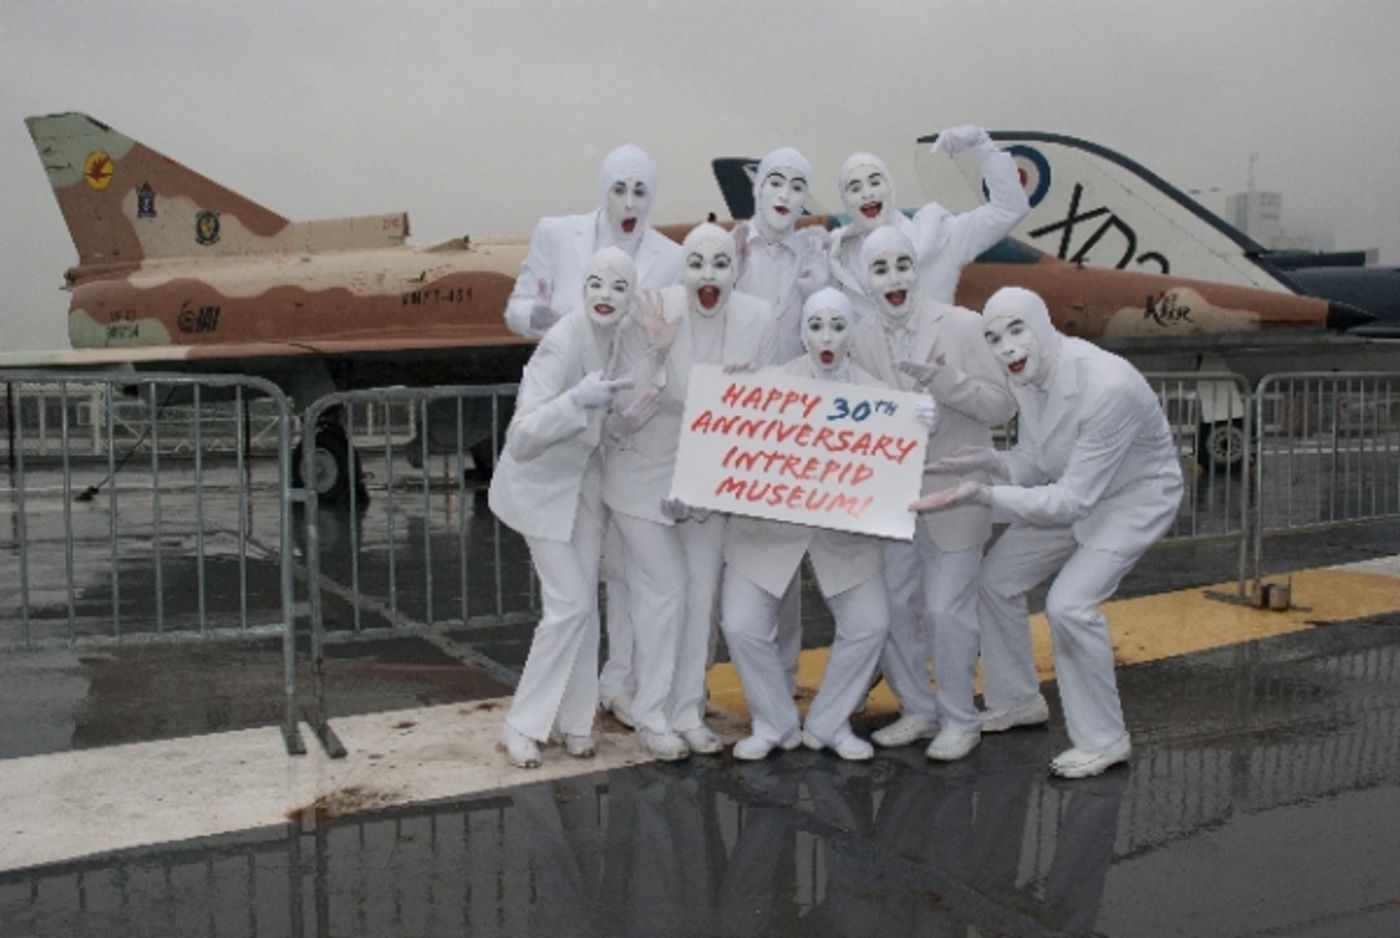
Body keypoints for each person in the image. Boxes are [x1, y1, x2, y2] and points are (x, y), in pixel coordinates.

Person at [912, 286, 1184, 778]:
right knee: (995, 582)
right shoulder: (1028, 375)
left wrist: (983, 494)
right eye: (994, 338)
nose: (1007, 347)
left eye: (1016, 330)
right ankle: (1017, 700)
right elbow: (1038, 460)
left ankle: (1104, 740)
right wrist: (992, 461)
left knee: (1070, 606)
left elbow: (1072, 501)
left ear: (1041, 324)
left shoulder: (1108, 387)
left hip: (1133, 499)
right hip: (1074, 492)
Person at [503, 144, 684, 729]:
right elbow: (518, 305)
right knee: (572, 594)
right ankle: (562, 711)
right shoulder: (558, 235)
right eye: (619, 189)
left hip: (626, 438)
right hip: (565, 436)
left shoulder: (671, 258)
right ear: (603, 190)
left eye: (640, 191)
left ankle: (616, 687)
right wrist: (543, 320)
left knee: (627, 573)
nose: (630, 202)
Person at [721, 287, 930, 762]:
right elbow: (728, 444)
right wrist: (729, 391)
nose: (827, 337)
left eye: (837, 326)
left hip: (844, 538)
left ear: (851, 332)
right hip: (768, 532)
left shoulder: (881, 398)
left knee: (870, 624)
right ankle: (774, 723)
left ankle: (829, 723)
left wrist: (920, 424)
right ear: (802, 334)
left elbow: (895, 466)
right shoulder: (770, 385)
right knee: (741, 624)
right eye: (816, 326)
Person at [604, 222, 775, 760]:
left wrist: (749, 389)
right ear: (683, 269)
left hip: (708, 480)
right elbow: (624, 401)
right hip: (642, 475)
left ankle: (687, 710)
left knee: (700, 597)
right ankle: (651, 712)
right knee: (666, 590)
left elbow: (767, 407)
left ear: (736, 268)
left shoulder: (757, 318)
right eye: (697, 263)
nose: (708, 275)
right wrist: (657, 350)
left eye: (720, 263)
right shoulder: (653, 308)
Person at [849, 226, 1017, 762]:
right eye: (880, 269)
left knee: (947, 611)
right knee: (895, 609)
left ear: (917, 271)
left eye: (903, 265)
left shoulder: (962, 326)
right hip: (892, 498)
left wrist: (948, 389)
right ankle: (918, 708)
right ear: (866, 280)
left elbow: (1002, 405)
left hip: (955, 493)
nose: (893, 278)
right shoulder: (859, 337)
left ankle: (960, 717)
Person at [490, 247, 639, 768]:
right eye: (596, 282)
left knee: (584, 607)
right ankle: (521, 724)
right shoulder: (562, 342)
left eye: (618, 286)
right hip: (539, 490)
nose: (606, 295)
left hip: (583, 488)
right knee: (569, 604)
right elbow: (522, 436)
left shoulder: (620, 339)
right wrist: (575, 400)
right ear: (582, 286)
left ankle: (575, 722)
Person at [731, 146, 831, 699]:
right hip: (734, 421)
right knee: (725, 559)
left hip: (792, 424)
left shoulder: (815, 252)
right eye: (775, 181)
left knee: (785, 562)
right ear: (757, 187)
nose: (785, 195)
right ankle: (703, 683)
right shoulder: (730, 247)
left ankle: (783, 677)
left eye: (797, 186)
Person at [826, 124, 1029, 318]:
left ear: (890, 187)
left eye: (875, 182)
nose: (867, 194)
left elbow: (1008, 209)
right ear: (845, 200)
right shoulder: (837, 255)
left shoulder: (938, 234)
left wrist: (982, 144)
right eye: (855, 188)